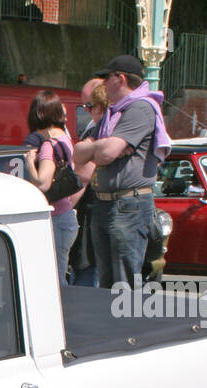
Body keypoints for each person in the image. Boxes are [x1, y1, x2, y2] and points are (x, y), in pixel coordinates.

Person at [71, 55, 171, 289]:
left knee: (124, 281)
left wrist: (98, 148)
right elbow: (77, 153)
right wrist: (103, 145)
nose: (103, 84)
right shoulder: (114, 113)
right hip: (106, 203)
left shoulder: (140, 108)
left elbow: (105, 155)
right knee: (107, 282)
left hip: (128, 205)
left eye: (107, 78)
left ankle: (126, 325)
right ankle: (110, 324)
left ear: (121, 78)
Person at [23, 91, 85, 284]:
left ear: (39, 115)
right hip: (66, 217)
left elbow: (43, 182)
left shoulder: (49, 146)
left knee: (54, 280)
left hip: (57, 219)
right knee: (58, 273)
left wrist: (29, 163)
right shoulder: (65, 140)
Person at [69, 78, 107, 287]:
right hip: (101, 215)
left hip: (92, 215)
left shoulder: (97, 131)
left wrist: (62, 209)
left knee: (87, 275)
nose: (85, 111)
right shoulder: (105, 128)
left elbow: (83, 177)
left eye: (88, 106)